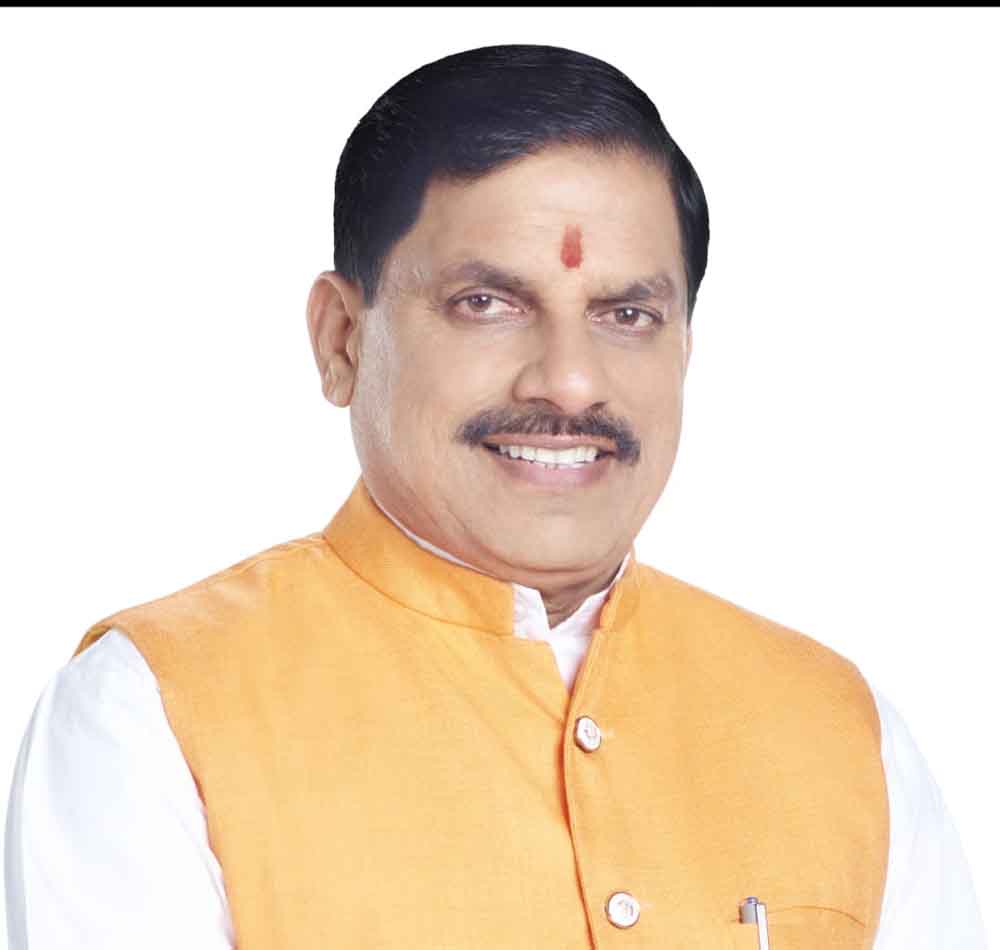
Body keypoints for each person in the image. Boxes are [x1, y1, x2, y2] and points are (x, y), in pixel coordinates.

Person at [4, 44, 986, 950]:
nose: (570, 382)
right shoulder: (157, 713)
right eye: (487, 304)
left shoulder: (839, 731)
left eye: (627, 314)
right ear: (341, 340)